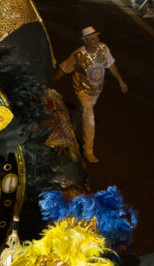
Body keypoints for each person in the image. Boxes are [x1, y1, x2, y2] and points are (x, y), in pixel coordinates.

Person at [54, 26, 128, 163]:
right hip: (82, 92)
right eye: (92, 38)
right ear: (86, 41)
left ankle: (65, 135)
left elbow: (111, 65)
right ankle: (88, 151)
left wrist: (120, 81)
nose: (96, 40)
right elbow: (63, 69)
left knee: (79, 115)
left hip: (96, 93)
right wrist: (49, 81)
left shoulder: (104, 49)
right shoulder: (78, 55)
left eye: (96, 37)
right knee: (89, 118)